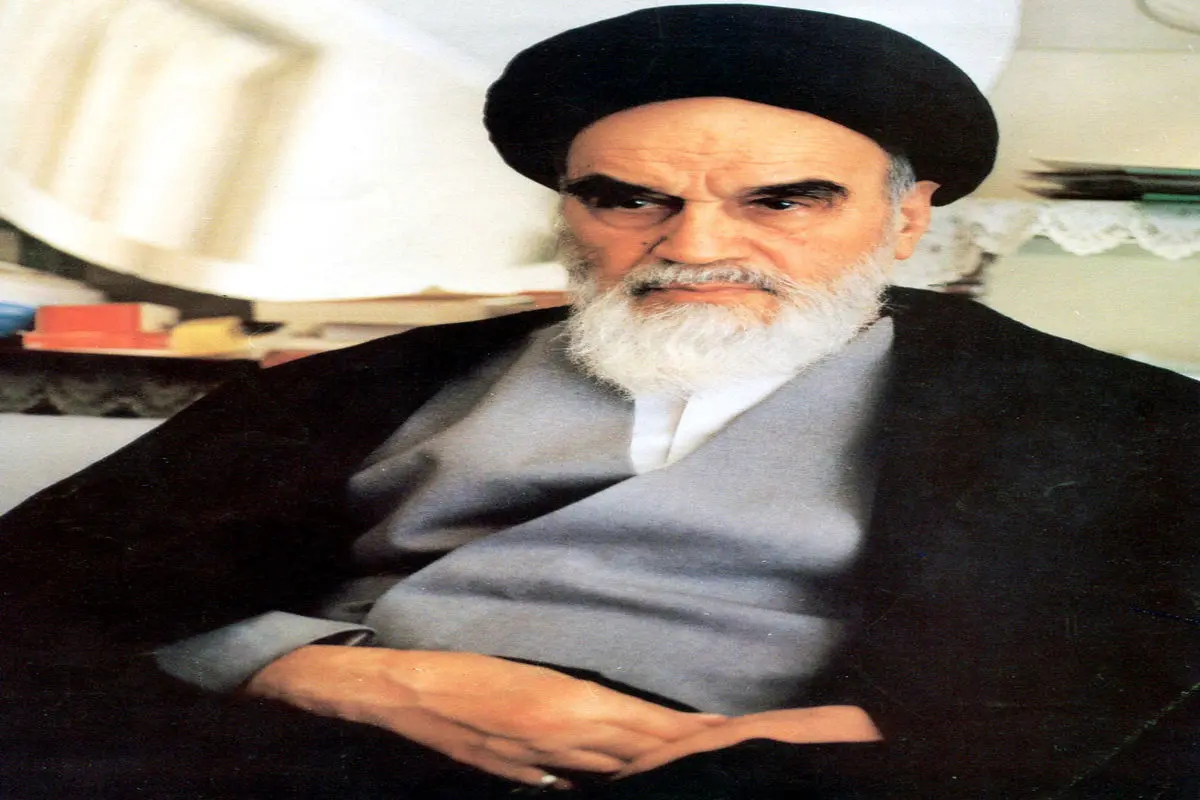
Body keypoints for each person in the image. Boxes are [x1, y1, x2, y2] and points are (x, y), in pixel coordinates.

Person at [1, 5, 1196, 799]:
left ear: (905, 217)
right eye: (629, 200)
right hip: (297, 746)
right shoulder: (367, 382)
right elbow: (36, 591)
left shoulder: (1116, 424)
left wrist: (933, 748)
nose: (696, 246)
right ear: (570, 210)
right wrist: (304, 667)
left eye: (783, 201)